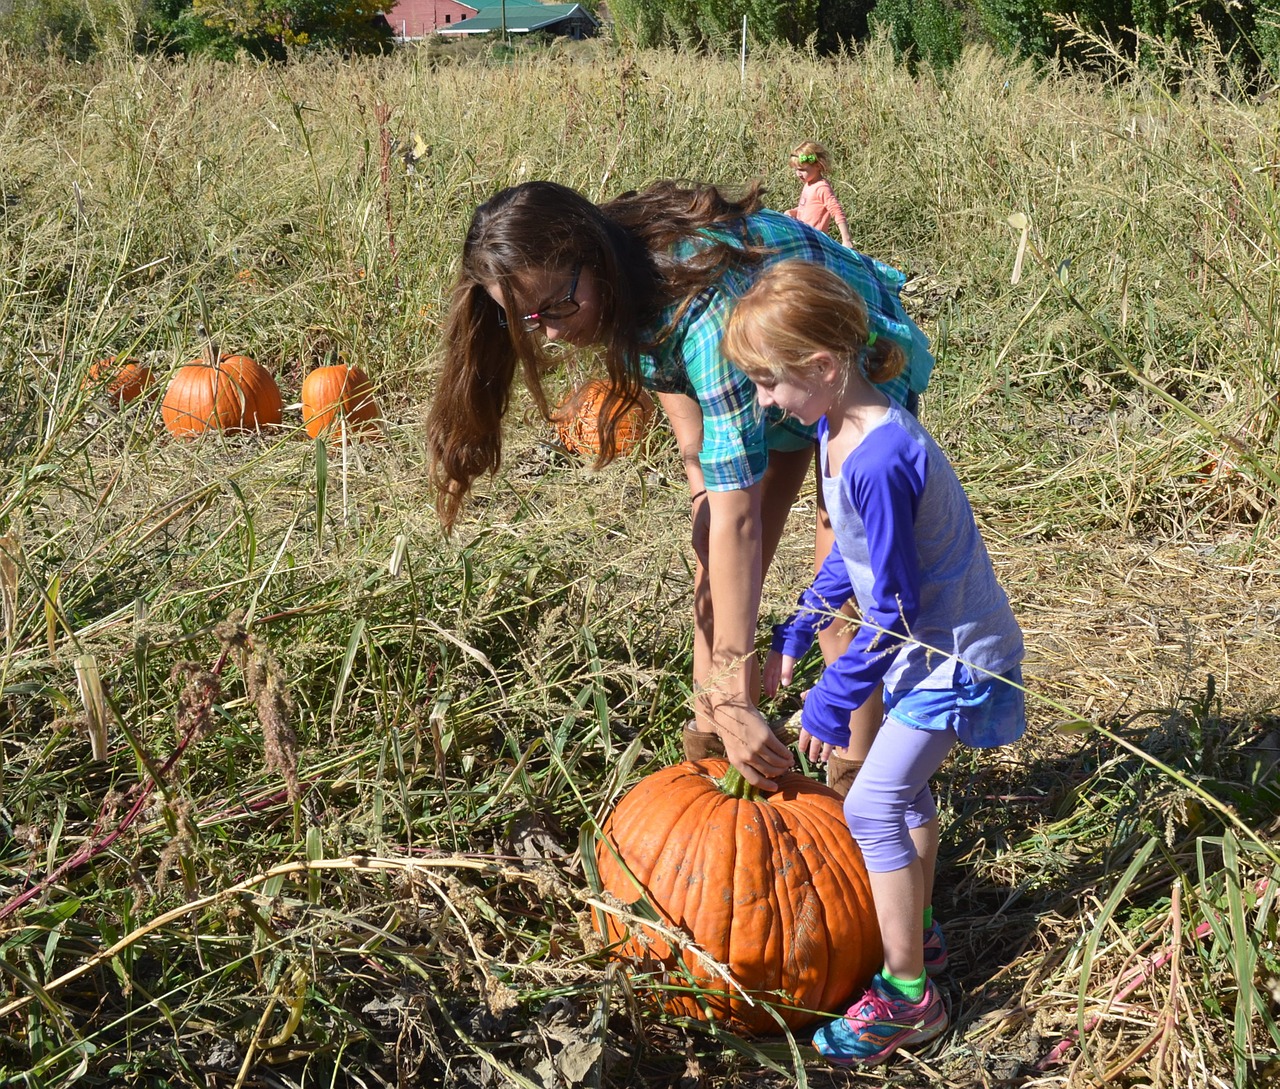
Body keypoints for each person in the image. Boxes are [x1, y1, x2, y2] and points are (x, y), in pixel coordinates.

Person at [426, 179, 933, 791]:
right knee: (711, 555)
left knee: (841, 602)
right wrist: (719, 695)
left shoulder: (700, 304)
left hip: (843, 366)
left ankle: (858, 779)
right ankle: (711, 751)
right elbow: (700, 456)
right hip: (758, 379)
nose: (551, 332)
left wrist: (734, 684)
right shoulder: (619, 290)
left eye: (557, 307)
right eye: (528, 320)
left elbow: (740, 518)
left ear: (594, 259)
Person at [722, 259, 1026, 1066]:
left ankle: (906, 997)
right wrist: (804, 622)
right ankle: (916, 937)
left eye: (769, 382)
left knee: (871, 804)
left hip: (951, 653)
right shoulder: (836, 427)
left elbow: (892, 607)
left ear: (823, 367)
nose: (764, 402)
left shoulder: (881, 455)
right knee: (905, 794)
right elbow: (855, 562)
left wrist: (833, 695)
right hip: (924, 648)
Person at [784, 140, 853, 249]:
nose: (798, 174)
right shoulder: (809, 184)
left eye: (802, 170)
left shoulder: (821, 188)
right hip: (803, 237)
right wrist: (793, 212)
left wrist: (846, 240)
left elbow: (836, 211)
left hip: (814, 241)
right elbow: (810, 208)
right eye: (796, 170)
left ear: (818, 166)